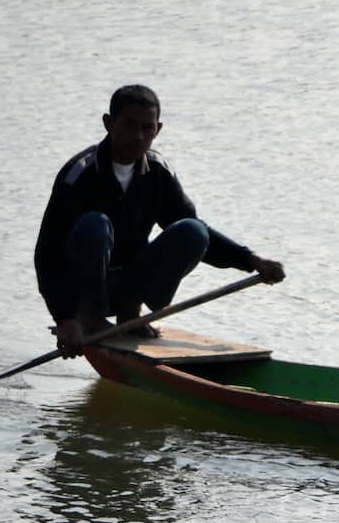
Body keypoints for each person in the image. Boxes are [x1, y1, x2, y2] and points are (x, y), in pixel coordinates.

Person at [34, 84, 285, 357]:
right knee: (95, 224)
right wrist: (65, 319)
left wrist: (251, 261)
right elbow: (47, 256)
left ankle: (131, 312)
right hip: (83, 291)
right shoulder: (79, 173)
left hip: (126, 284)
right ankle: (91, 318)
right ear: (108, 124)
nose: (139, 136)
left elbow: (199, 237)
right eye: (129, 125)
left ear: (158, 129)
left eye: (148, 128)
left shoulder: (158, 172)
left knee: (193, 231)